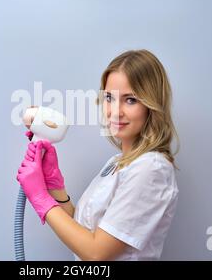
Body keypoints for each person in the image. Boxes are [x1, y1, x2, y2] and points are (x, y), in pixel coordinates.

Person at [17, 49, 180, 260]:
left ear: (152, 105)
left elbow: (96, 253)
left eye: (130, 100)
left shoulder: (151, 169)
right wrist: (54, 187)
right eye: (110, 98)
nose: (115, 111)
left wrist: (40, 198)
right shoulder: (117, 163)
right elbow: (83, 231)